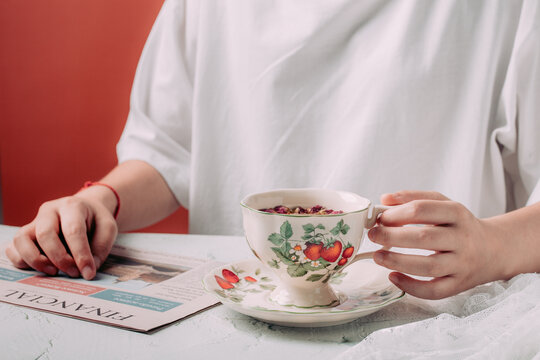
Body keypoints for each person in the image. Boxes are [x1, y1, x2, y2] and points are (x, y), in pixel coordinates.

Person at [6, 0, 540, 300]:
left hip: (436, 324)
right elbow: (168, 153)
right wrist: (102, 201)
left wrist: (496, 245)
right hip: (240, 322)